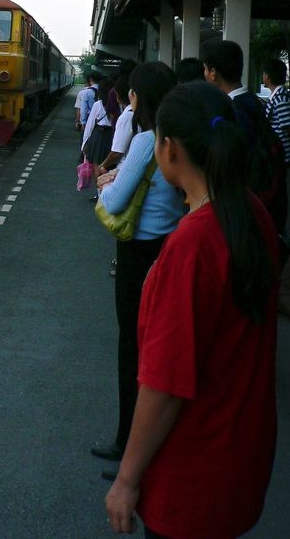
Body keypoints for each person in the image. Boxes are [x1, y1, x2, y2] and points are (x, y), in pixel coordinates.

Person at [106, 81, 279, 539]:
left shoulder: (192, 245)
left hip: (190, 471)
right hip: (240, 457)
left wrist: (127, 479)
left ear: (169, 149)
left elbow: (165, 386)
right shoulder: (251, 214)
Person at [91, 62, 183, 464]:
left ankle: (127, 442)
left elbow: (114, 202)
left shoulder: (147, 140)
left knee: (132, 349)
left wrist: (105, 185)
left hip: (138, 255)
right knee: (155, 348)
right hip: (166, 247)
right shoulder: (178, 137)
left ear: (139, 97)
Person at [202, 39, 287, 232]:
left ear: (214, 73)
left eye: (206, 69)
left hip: (245, 211)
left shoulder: (235, 111)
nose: (204, 74)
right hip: (263, 203)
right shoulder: (252, 102)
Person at [263, 57, 290, 165]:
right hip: (278, 152)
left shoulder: (280, 99)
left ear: (268, 76)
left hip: (282, 154)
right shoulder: (278, 96)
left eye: (264, 73)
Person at [81, 78, 114, 188]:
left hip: (99, 136)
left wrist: (84, 143)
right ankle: (106, 188)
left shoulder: (98, 104)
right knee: (109, 165)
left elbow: (90, 125)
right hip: (112, 136)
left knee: (97, 164)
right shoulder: (117, 105)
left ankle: (99, 191)